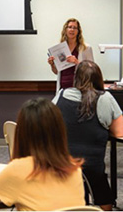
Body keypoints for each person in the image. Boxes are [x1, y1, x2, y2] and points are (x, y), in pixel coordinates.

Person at [53, 60, 123, 210]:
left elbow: (49, 121)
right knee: (103, 195)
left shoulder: (61, 94)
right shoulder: (105, 98)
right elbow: (119, 132)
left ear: (76, 78)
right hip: (92, 166)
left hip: (62, 163)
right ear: (99, 77)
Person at [48, 18, 94, 92]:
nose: (72, 30)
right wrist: (52, 65)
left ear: (78, 31)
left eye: (75, 28)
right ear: (65, 30)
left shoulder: (86, 48)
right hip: (62, 88)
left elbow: (91, 70)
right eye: (69, 27)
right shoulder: (59, 48)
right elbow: (57, 72)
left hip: (78, 88)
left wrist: (77, 62)